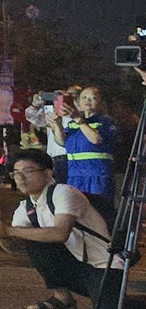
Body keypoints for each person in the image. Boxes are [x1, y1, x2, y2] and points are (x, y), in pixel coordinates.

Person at [0, 148, 117, 309]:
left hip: (105, 266)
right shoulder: (26, 207)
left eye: (28, 171)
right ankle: (63, 299)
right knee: (33, 239)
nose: (20, 178)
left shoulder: (64, 193)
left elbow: (60, 233)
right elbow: (15, 248)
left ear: (48, 174)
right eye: (16, 173)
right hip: (78, 266)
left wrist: (9, 230)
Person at [60, 86, 114, 216]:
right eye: (84, 97)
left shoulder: (105, 122)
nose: (87, 100)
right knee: (75, 213)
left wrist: (79, 120)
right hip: (74, 176)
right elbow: (62, 142)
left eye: (93, 98)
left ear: (100, 103)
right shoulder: (72, 124)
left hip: (96, 176)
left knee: (98, 212)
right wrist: (56, 124)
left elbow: (96, 139)